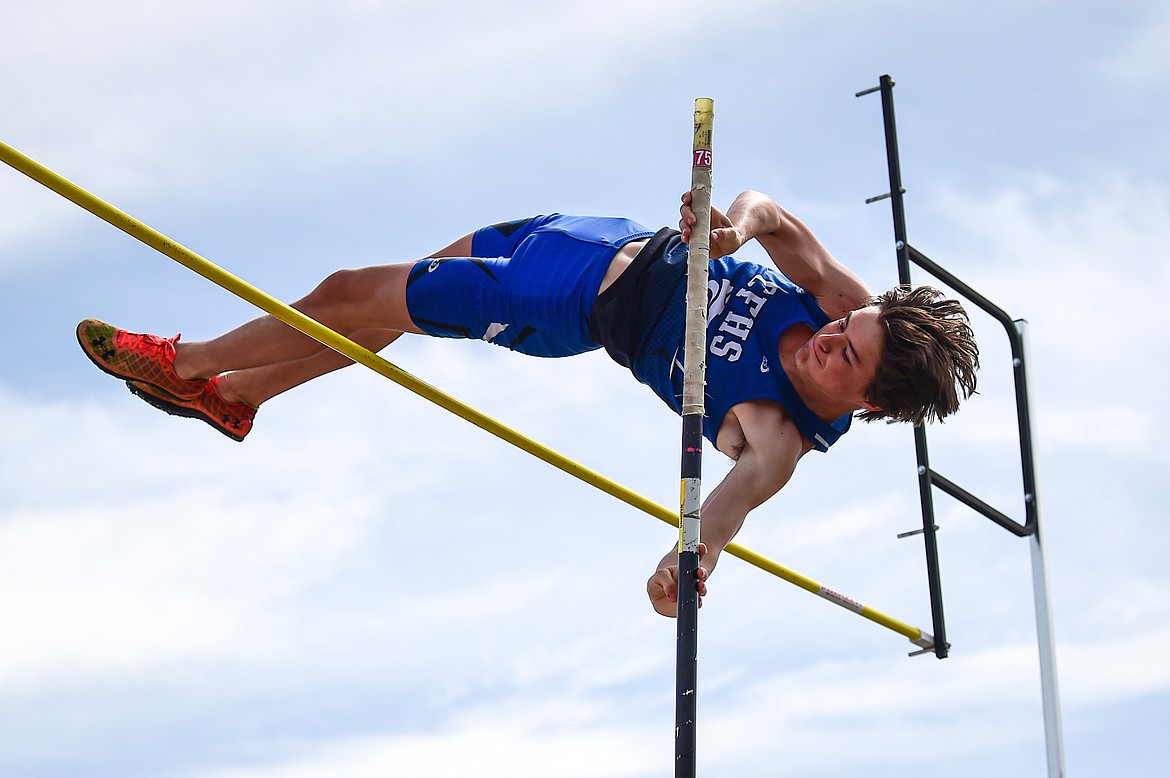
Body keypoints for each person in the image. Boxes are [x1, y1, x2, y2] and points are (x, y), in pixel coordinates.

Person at [76, 190, 979, 617]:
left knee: (353, 290)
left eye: (844, 356)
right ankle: (243, 395)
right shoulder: (840, 302)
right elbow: (773, 215)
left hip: (563, 305)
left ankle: (193, 364)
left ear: (865, 399)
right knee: (379, 315)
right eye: (845, 327)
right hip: (586, 237)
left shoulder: (777, 437)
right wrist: (735, 229)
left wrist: (680, 572)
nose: (831, 336)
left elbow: (720, 517)